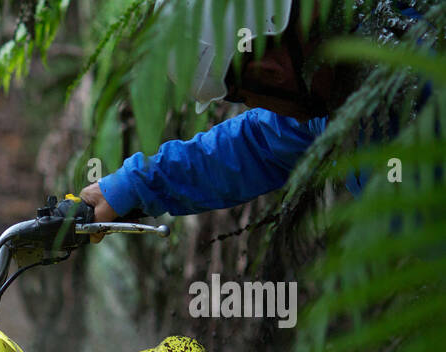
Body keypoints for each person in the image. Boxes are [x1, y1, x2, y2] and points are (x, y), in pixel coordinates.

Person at [79, 0, 425, 222]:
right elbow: (256, 142)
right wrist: (132, 185)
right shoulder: (338, 86)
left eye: (243, 97)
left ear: (272, 73)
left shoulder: (410, 89)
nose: (254, 108)